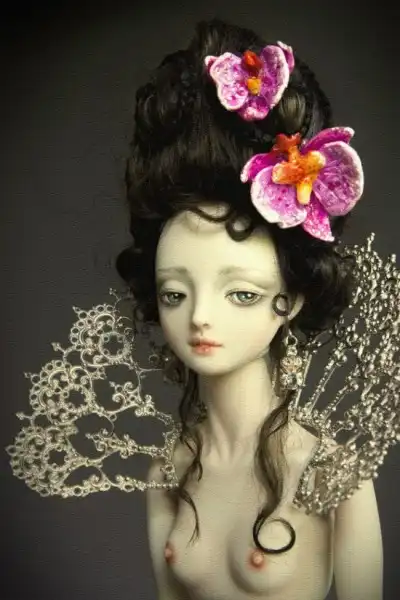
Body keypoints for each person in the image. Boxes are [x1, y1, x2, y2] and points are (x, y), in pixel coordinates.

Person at [114, 17, 383, 600]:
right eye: (174, 293)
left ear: (292, 299)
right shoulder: (168, 471)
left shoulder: (328, 471)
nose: (199, 318)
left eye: (242, 294)